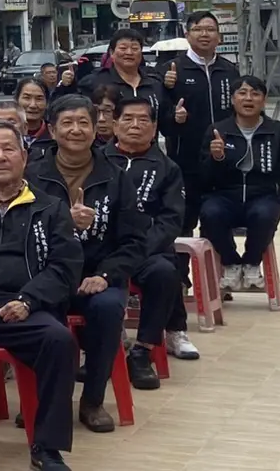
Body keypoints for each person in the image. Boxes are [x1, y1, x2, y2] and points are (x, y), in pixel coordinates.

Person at [25, 95, 147, 430]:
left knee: (107, 309)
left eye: (84, 123)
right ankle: (43, 398)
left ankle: (92, 400)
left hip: (97, 275)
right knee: (35, 312)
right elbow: (21, 234)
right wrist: (64, 220)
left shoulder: (116, 176)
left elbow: (134, 241)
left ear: (96, 129)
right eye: (67, 123)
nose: (76, 130)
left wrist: (107, 275)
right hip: (48, 275)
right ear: (52, 129)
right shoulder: (32, 175)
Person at [0, 122, 81, 471]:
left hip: (24, 308)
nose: (1, 157)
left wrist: (29, 300)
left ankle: (47, 447)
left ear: (24, 156)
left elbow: (65, 267)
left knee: (59, 341)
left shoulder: (50, 207)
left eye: (8, 149)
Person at [104, 94, 196, 365]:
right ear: (115, 124)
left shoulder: (168, 169)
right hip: (103, 249)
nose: (135, 125)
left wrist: (137, 251)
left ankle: (144, 349)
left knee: (165, 272)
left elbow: (170, 220)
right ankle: (102, 344)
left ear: (154, 127)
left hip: (148, 251)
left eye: (143, 119)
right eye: (128, 119)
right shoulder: (96, 161)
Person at [200, 77, 280, 287]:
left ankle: (251, 263)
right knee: (210, 214)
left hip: (263, 194)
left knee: (265, 215)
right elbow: (205, 175)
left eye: (255, 94)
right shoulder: (218, 130)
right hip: (224, 194)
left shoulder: (278, 131)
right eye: (242, 93)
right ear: (232, 99)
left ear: (264, 100)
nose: (248, 98)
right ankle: (231, 263)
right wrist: (217, 158)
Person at [157, 10, 240, 246]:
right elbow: (161, 119)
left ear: (219, 36)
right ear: (187, 34)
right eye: (198, 29)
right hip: (185, 161)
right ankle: (181, 280)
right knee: (183, 223)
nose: (205, 34)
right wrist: (175, 118)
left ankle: (219, 273)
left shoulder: (229, 70)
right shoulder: (171, 70)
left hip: (222, 160)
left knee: (218, 220)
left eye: (210, 30)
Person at [68, 29, 164, 110]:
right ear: (112, 52)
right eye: (123, 48)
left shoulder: (154, 84)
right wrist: (66, 86)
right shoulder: (94, 82)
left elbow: (166, 122)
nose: (129, 52)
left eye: (134, 48)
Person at [15, 79, 54, 161]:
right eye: (27, 98)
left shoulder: (54, 135)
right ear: (16, 100)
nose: (33, 105)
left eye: (39, 99)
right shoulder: (7, 134)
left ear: (47, 103)